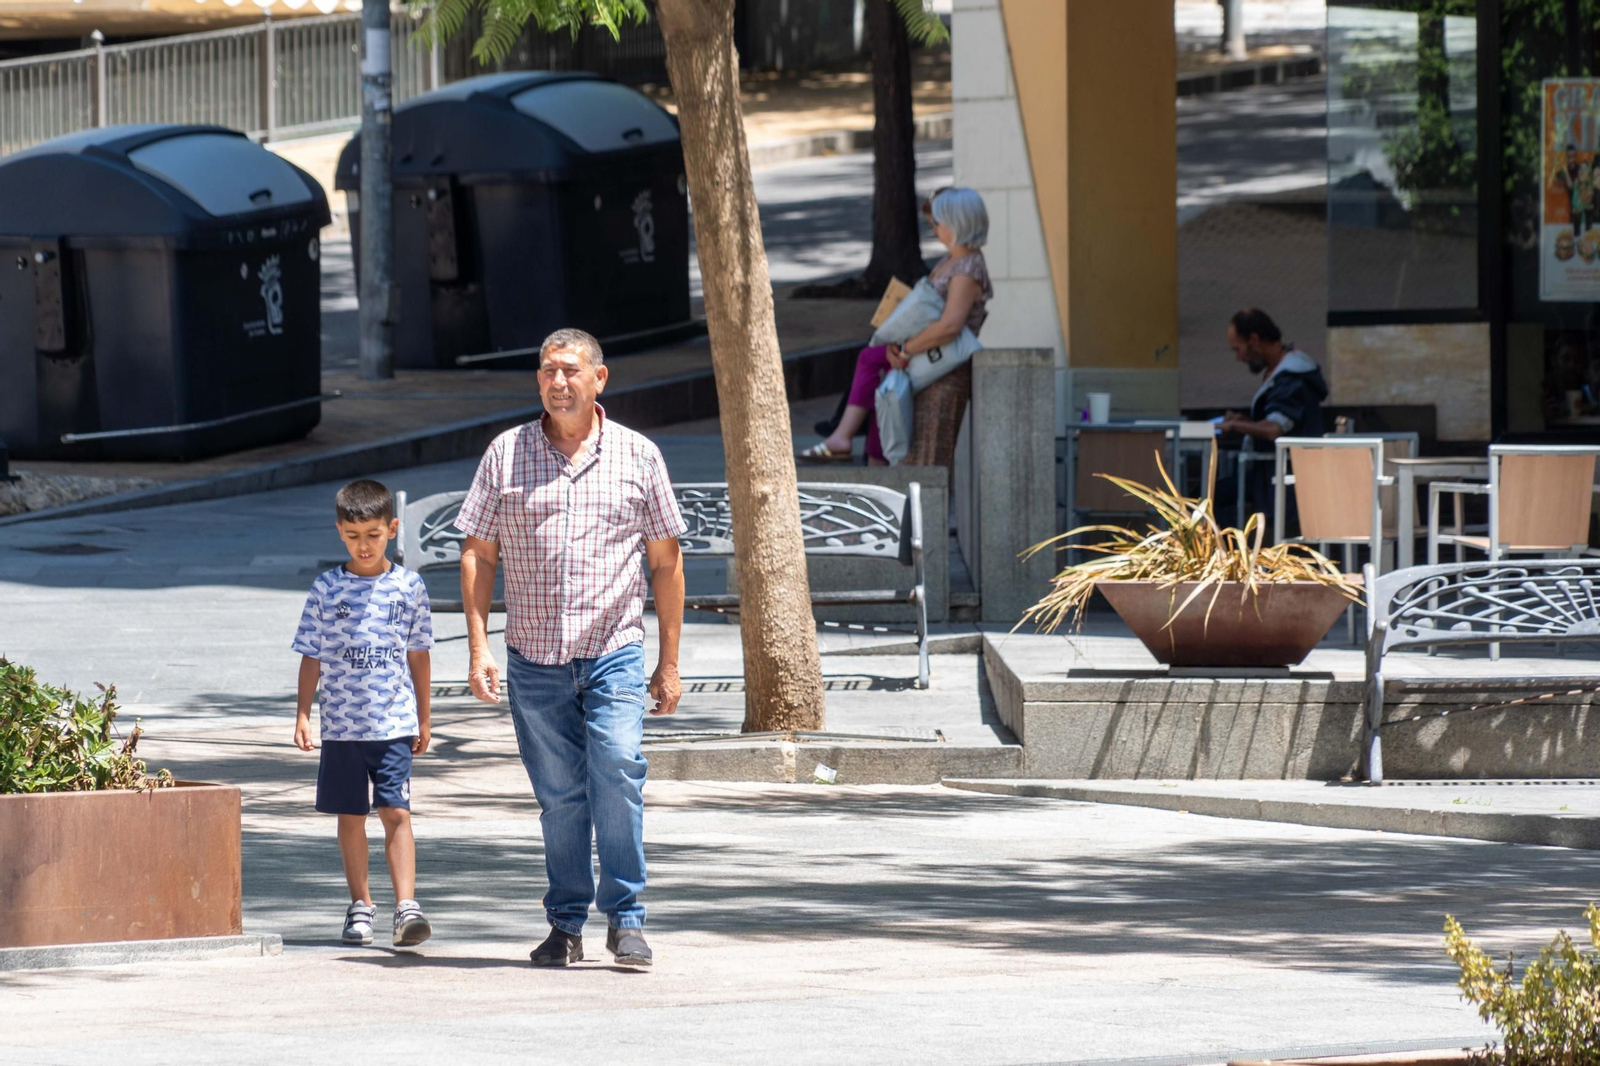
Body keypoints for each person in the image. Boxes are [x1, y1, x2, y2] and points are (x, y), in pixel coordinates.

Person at [454, 327, 687, 969]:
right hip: (534, 658)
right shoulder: (506, 454)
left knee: (618, 769)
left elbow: (666, 562)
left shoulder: (638, 456)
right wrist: (477, 647)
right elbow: (478, 553)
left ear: (599, 378)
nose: (559, 382)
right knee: (559, 796)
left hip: (613, 649)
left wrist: (668, 664)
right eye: (548, 371)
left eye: (570, 370)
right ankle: (565, 924)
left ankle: (627, 919)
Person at [292, 478, 435, 949]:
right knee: (351, 816)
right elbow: (310, 655)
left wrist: (424, 718)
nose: (364, 545)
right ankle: (361, 905)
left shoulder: (409, 586)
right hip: (341, 728)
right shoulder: (326, 588)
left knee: (396, 810)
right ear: (339, 531)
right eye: (353, 536)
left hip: (393, 724)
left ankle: (407, 907)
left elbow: (419, 656)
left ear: (392, 529)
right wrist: (303, 715)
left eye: (373, 534)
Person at [799, 186, 994, 464]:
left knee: (870, 360)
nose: (935, 228)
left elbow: (950, 326)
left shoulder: (967, 269)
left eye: (938, 222)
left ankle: (843, 437)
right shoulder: (955, 261)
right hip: (925, 350)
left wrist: (905, 349)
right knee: (883, 394)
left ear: (957, 223)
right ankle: (870, 460)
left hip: (937, 356)